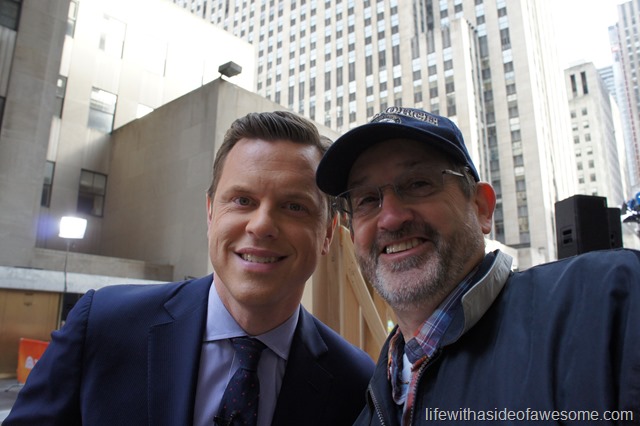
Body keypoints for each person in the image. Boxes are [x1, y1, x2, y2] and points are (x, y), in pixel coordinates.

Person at [5, 111, 374, 426]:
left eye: (294, 206)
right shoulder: (102, 325)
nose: (261, 225)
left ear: (328, 233)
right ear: (210, 212)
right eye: (242, 200)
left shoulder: (357, 384)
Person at [315, 106, 640, 425]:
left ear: (482, 207)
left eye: (418, 184)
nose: (390, 218)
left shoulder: (608, 304)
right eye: (367, 200)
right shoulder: (371, 400)